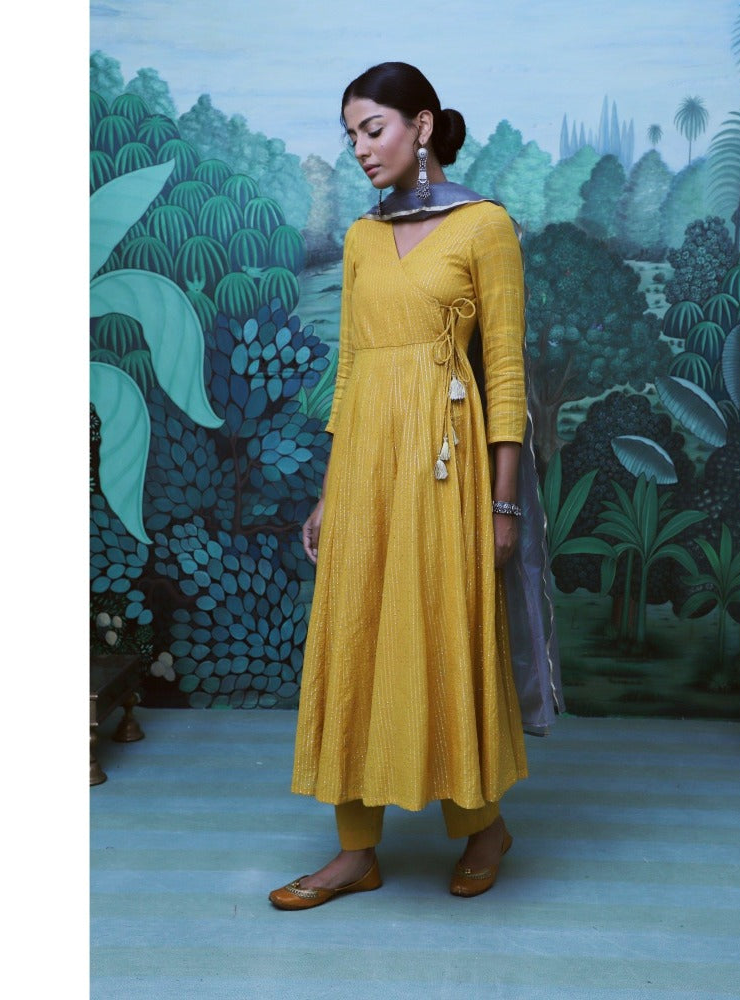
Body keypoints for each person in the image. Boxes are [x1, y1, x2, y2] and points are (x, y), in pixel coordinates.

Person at [269, 62, 558, 911]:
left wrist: (503, 501)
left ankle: (484, 827)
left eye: (375, 129)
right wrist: (331, 490)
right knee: (354, 634)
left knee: (445, 632)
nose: (361, 149)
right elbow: (350, 370)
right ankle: (355, 850)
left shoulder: (484, 226)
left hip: (445, 465)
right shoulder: (362, 238)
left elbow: (506, 372)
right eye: (351, 136)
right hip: (365, 464)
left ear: (422, 126)